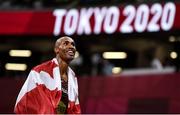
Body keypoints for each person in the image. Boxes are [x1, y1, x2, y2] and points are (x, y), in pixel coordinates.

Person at [14, 36, 81, 114]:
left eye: (73, 44)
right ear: (56, 49)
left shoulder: (73, 77)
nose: (71, 47)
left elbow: (74, 109)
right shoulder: (40, 72)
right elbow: (29, 103)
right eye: (66, 43)